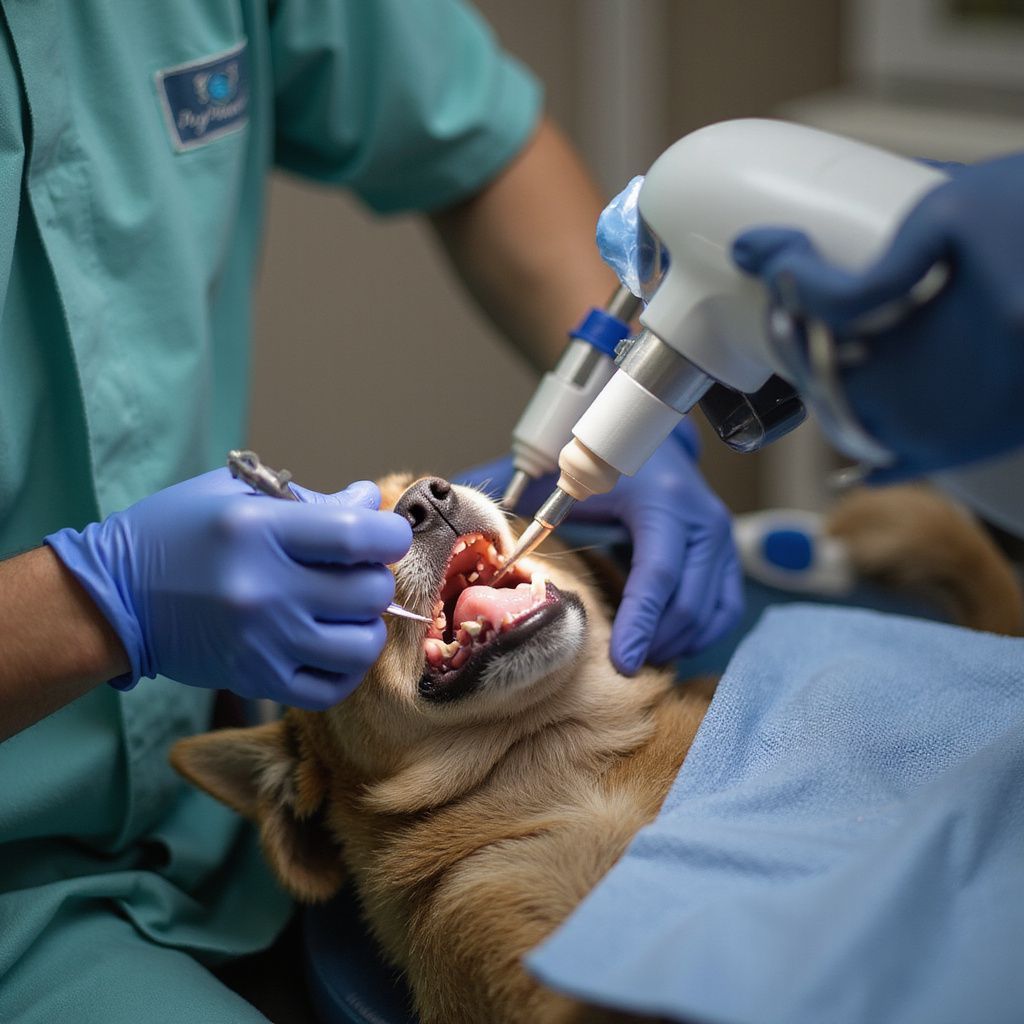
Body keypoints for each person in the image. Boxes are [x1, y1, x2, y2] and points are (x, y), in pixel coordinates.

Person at [0, 3, 740, 1021]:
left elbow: (479, 144)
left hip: (198, 848)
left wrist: (635, 398)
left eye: (420, 503)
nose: (427, 506)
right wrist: (96, 604)